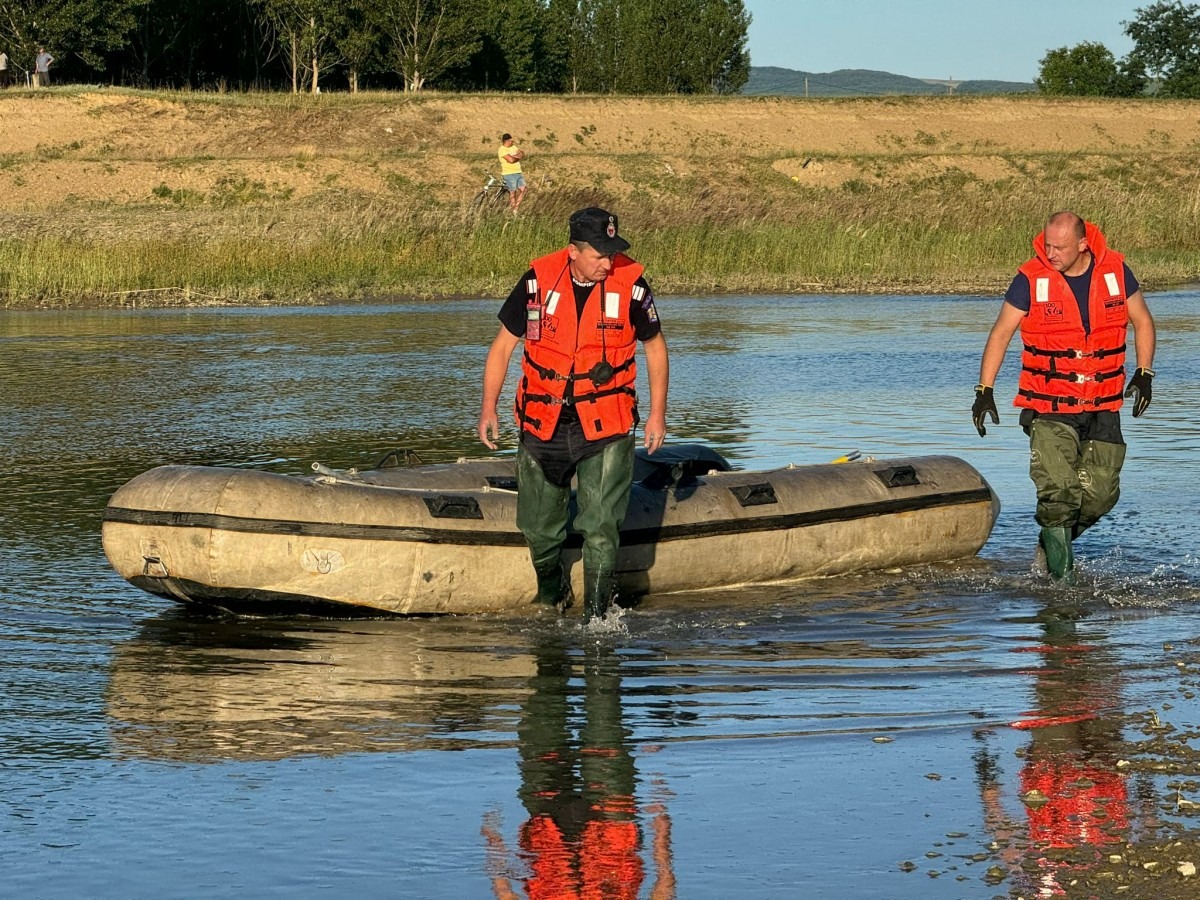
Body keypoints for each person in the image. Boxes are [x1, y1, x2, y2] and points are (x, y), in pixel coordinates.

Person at [477, 207, 669, 619]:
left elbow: (655, 347)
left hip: (608, 424)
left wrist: (658, 414)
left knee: (601, 527)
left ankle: (598, 618)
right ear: (573, 252)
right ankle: (552, 596)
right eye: (599, 255)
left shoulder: (632, 284)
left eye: (611, 253)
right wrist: (487, 408)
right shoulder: (537, 281)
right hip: (542, 422)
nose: (607, 262)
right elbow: (502, 347)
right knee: (537, 528)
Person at [972, 210, 1156, 582]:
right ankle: (1062, 590)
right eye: (1047, 245)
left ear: (1083, 244)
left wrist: (1144, 372)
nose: (1050, 253)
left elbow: (1143, 320)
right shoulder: (1029, 279)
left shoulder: (1116, 271)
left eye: (1059, 247)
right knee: (1059, 492)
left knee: (1101, 496)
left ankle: (1051, 543)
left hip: (1103, 403)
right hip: (1049, 406)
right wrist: (984, 390)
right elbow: (1001, 333)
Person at [497, 133, 527, 213]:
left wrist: (516, 156)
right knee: (512, 191)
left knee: (523, 189)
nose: (512, 142)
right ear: (507, 141)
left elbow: (522, 153)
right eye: (511, 141)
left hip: (518, 172)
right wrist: (518, 157)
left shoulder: (513, 147)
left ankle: (516, 208)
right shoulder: (502, 150)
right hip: (508, 173)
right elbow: (511, 160)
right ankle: (514, 211)